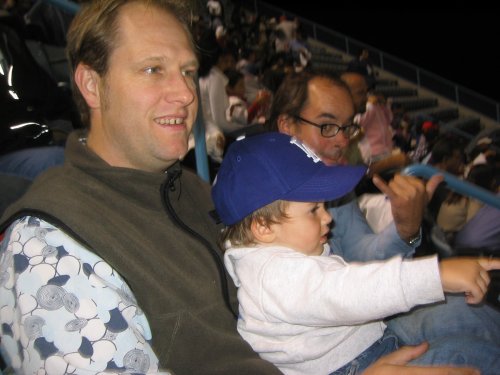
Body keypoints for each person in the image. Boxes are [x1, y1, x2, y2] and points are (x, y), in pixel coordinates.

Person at [0, 2, 485, 374]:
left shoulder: (187, 189)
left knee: (470, 321)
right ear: (90, 84)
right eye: (154, 69)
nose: (186, 92)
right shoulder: (48, 249)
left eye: (188, 72)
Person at [211, 131, 500, 375]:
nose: (328, 218)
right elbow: (346, 289)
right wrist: (436, 276)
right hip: (352, 366)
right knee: (468, 355)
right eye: (314, 210)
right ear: (262, 227)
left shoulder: (282, 249)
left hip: (370, 339)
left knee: (465, 317)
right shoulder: (272, 275)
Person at [266, 71, 440, 261]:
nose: (343, 140)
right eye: (327, 126)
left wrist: (406, 231)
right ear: (287, 127)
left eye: (347, 126)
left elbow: (359, 251)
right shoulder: (259, 201)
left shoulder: (336, 185)